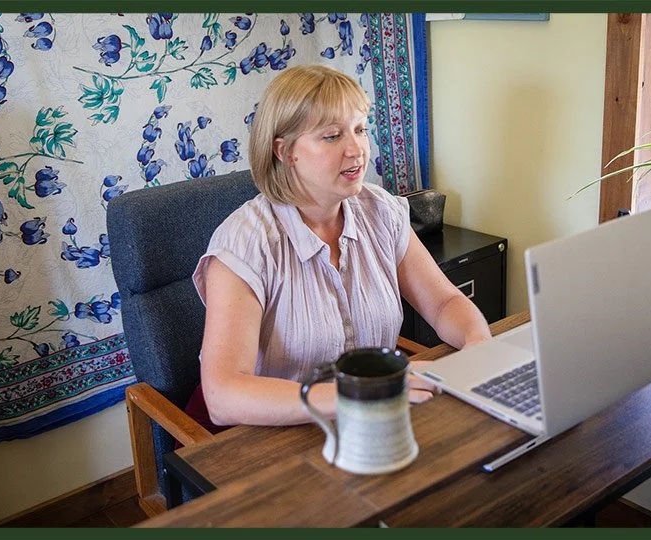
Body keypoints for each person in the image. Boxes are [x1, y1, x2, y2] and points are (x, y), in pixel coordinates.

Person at [189, 64, 491, 429]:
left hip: (371, 415)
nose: (357, 150)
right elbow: (223, 397)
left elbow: (444, 303)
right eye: (332, 136)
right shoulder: (245, 244)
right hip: (278, 434)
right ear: (285, 152)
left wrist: (478, 344)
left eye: (360, 130)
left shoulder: (380, 211)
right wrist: (359, 392)